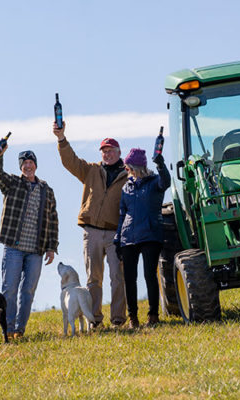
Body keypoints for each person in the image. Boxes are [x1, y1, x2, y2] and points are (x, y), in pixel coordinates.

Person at [53, 121, 128, 328]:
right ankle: (94, 319)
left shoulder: (127, 175)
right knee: (93, 279)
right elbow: (70, 161)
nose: (107, 154)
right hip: (92, 232)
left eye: (111, 150)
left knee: (117, 277)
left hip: (115, 233)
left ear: (119, 152)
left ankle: (118, 319)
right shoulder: (91, 171)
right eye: (104, 151)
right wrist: (61, 139)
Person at [0, 144, 58, 339]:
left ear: (35, 165)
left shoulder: (47, 190)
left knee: (28, 290)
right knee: (9, 289)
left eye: (31, 162)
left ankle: (20, 329)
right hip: (13, 247)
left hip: (36, 249)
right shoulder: (11, 183)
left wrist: (51, 247)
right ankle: (8, 329)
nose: (28, 166)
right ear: (20, 167)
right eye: (24, 163)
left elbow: (53, 220)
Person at [114, 148, 171, 328]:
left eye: (128, 167)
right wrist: (117, 238)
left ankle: (153, 316)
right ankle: (133, 319)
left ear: (134, 166)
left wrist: (161, 165)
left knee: (149, 275)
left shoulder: (155, 182)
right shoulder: (126, 187)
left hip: (150, 234)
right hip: (128, 236)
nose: (126, 170)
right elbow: (123, 214)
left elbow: (166, 182)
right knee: (129, 278)